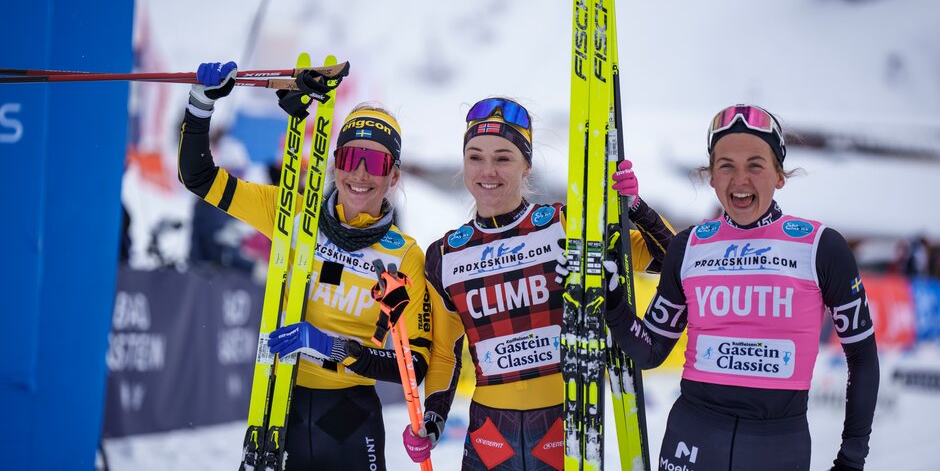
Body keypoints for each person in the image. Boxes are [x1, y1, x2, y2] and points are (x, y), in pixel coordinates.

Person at [177, 61, 430, 470]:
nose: (360, 174)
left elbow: (415, 365)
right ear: (336, 162)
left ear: (394, 176)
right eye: (351, 157)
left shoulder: (405, 256)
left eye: (376, 163)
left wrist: (333, 346)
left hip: (351, 420)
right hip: (281, 406)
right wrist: (201, 105)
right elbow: (199, 177)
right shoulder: (291, 212)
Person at [401, 97, 675, 469]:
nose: (488, 171)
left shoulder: (566, 226)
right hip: (489, 434)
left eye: (503, 158)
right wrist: (433, 418)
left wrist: (637, 207)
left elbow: (670, 260)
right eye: (475, 157)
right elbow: (445, 353)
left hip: (562, 427)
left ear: (526, 164)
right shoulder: (445, 255)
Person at [604, 104, 879, 471]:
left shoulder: (820, 247)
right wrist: (612, 303)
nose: (740, 179)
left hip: (776, 446)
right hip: (691, 440)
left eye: (755, 165)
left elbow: (862, 358)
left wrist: (851, 459)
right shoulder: (689, 247)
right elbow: (650, 351)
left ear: (779, 175)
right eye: (726, 166)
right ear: (711, 177)